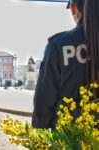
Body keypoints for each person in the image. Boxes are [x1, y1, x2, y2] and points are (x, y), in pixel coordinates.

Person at [32, 0, 99, 130]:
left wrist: (39, 140)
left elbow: (44, 102)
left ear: (73, 8)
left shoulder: (58, 45)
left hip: (67, 137)